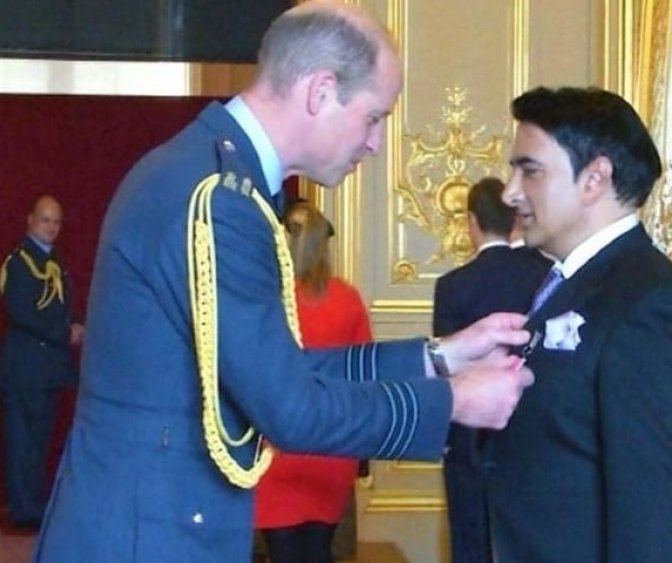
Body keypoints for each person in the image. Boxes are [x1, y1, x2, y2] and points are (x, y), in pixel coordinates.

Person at [33, 2, 535, 561]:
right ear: (320, 92)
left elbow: (281, 368)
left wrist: (440, 357)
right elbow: (289, 407)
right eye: (373, 118)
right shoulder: (219, 198)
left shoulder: (214, 176)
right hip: (148, 537)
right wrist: (451, 402)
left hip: (150, 521)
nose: (373, 144)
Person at [483, 86, 672, 563]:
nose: (510, 191)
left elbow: (658, 523)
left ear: (595, 178)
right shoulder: (574, 282)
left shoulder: (652, 308)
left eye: (529, 170)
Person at [433, 177, 551, 563]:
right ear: (516, 217)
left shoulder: (453, 286)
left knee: (471, 544)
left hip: (470, 440)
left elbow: (446, 372)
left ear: (471, 221)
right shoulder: (544, 277)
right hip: (535, 437)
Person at [255, 200, 372, 563]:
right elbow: (364, 374)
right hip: (331, 445)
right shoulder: (347, 299)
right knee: (320, 552)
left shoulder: (264, 299)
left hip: (276, 445)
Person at [0, 194, 84, 529]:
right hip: (24, 369)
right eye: (46, 220)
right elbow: (23, 313)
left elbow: (61, 306)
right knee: (22, 442)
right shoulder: (19, 262)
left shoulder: (56, 262)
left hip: (49, 370)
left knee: (41, 442)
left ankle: (35, 505)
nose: (52, 227)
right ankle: (24, 510)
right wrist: (66, 332)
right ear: (30, 219)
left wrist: (76, 324)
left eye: (57, 221)